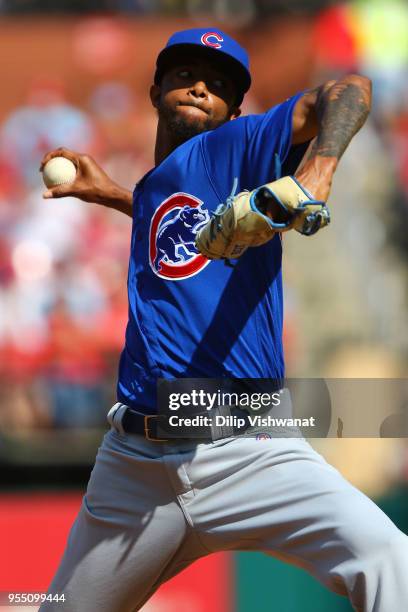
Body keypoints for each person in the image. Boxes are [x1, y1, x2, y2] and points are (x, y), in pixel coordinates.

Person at [39, 28, 408, 612]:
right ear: (156, 88)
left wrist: (318, 170)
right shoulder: (161, 184)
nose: (200, 88)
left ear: (235, 109)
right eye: (185, 75)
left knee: (390, 559)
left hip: (247, 445)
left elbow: (349, 88)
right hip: (133, 466)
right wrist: (114, 195)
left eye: (218, 85)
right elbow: (179, 229)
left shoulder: (239, 145)